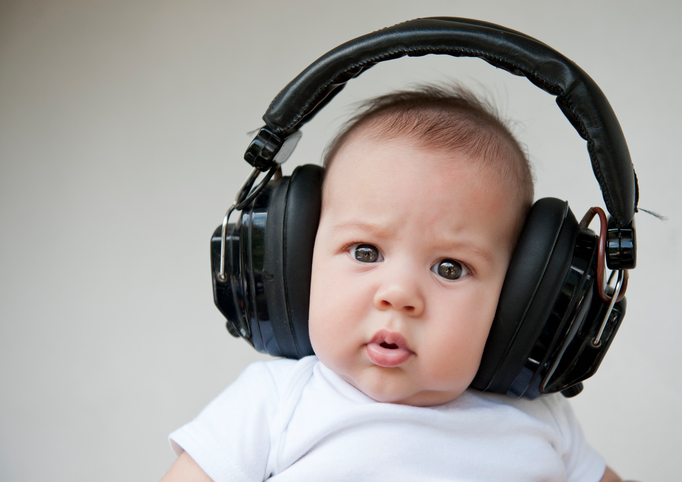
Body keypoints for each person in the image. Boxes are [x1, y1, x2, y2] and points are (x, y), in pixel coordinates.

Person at [162, 85, 627, 481]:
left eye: (450, 267)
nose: (399, 294)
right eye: (366, 252)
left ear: (517, 301)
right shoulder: (274, 400)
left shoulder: (544, 422)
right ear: (296, 262)